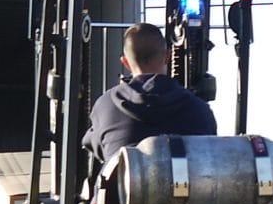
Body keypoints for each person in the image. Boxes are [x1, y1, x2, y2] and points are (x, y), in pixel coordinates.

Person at [88, 23, 216, 160]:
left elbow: (94, 146)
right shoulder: (200, 111)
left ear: (125, 62)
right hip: (183, 181)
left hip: (126, 181)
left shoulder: (105, 106)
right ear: (168, 56)